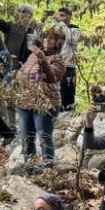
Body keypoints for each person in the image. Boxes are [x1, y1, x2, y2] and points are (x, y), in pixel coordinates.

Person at [15, 27, 66, 173]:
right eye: (45, 37)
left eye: (51, 38)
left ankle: (47, 171)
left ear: (58, 42)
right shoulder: (32, 56)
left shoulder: (59, 60)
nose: (46, 40)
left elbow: (52, 77)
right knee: (27, 138)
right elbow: (22, 73)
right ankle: (29, 170)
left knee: (44, 137)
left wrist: (43, 61)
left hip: (46, 104)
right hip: (26, 102)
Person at [0, 0, 38, 66]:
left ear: (31, 15)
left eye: (24, 12)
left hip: (24, 67)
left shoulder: (34, 32)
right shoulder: (11, 26)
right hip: (8, 63)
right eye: (20, 12)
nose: (22, 14)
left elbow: (35, 51)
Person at [53, 7, 83, 110]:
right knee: (57, 94)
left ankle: (68, 118)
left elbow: (71, 40)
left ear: (69, 17)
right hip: (56, 65)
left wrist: (61, 24)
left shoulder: (75, 29)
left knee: (68, 94)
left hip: (69, 66)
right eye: (58, 15)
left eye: (62, 15)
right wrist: (53, 22)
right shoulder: (57, 28)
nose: (60, 18)